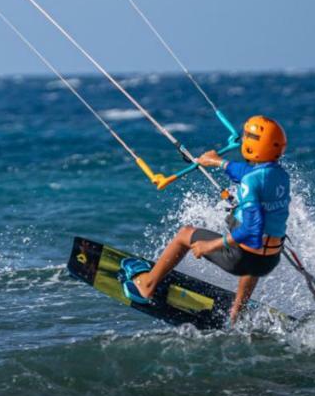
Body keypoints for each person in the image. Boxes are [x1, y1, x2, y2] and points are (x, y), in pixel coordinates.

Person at [121, 115, 290, 326]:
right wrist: (219, 162)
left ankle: (147, 285)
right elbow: (250, 173)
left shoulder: (250, 183)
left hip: (241, 258)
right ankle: (237, 312)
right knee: (253, 244)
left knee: (185, 234)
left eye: (247, 136)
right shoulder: (280, 175)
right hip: (268, 261)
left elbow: (251, 230)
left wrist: (210, 245)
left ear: (252, 146)